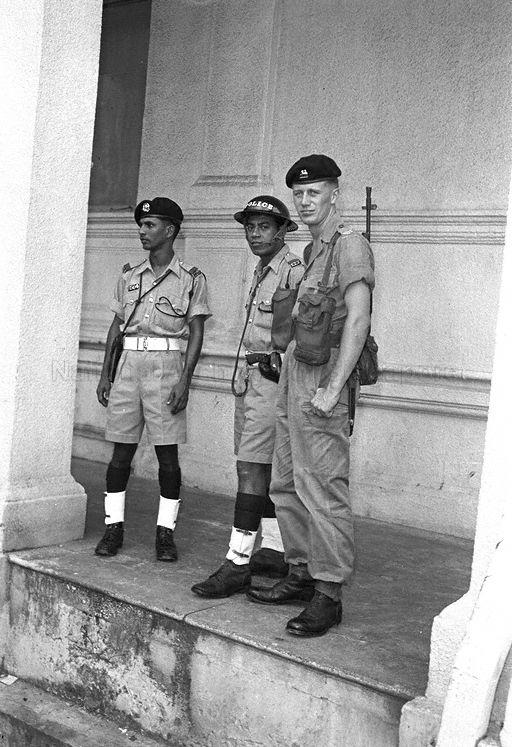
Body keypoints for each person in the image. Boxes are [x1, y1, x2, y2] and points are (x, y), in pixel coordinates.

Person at [247, 155, 375, 637]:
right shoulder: (310, 251)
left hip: (324, 381)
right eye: (298, 194)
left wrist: (333, 388)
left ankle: (329, 593)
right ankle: (301, 573)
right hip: (293, 375)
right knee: (285, 481)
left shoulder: (349, 247)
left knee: (322, 487)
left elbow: (358, 323)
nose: (304, 201)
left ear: (335, 195)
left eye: (313, 193)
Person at [191, 195, 304, 598]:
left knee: (251, 469)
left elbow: (300, 331)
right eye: (250, 227)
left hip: (272, 380)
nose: (255, 234)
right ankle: (272, 550)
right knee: (264, 467)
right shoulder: (261, 270)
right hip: (252, 377)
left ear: (282, 231)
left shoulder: (292, 271)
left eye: (264, 227)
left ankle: (237, 562)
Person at [95, 197, 210, 561]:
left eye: (150, 226)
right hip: (128, 364)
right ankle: (113, 529)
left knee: (167, 457)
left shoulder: (191, 278)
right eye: (141, 225)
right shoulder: (129, 274)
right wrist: (105, 373)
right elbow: (116, 327)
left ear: (171, 230)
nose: (142, 231)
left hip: (166, 365)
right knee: (120, 453)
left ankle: (165, 534)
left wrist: (185, 381)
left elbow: (196, 331)